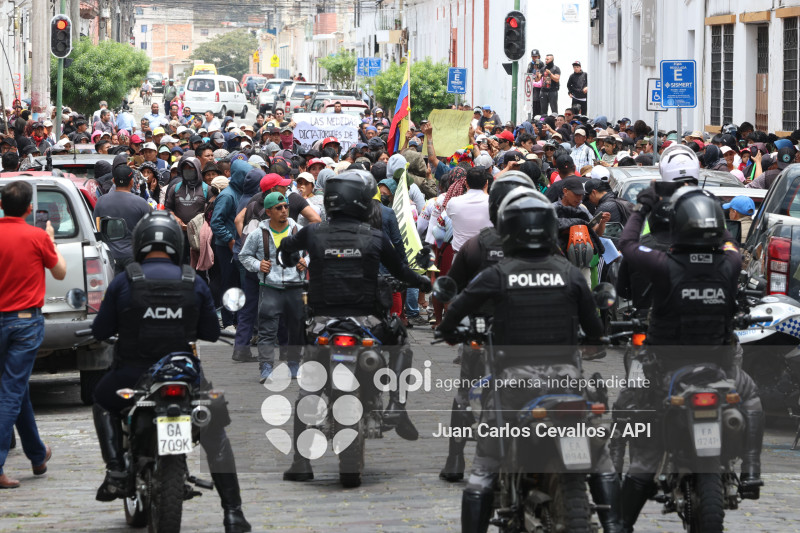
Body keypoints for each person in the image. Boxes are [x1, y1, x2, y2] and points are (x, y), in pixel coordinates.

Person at [437, 190, 621, 533]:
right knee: (601, 459)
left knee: (485, 466)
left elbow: (453, 314)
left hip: (512, 385)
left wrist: (448, 331)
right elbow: (596, 332)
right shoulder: (570, 273)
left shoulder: (497, 274)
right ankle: (616, 526)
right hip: (567, 382)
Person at [89, 211, 250, 532]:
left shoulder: (124, 281)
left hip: (131, 377)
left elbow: (101, 328)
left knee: (102, 400)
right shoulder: (193, 281)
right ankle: (233, 513)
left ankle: (117, 470)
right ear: (177, 244)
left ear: (139, 244)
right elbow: (207, 330)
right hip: (185, 377)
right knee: (214, 431)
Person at [618, 184, 764, 530]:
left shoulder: (662, 264)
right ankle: (752, 470)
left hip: (666, 372)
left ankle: (620, 524)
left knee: (644, 456)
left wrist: (641, 209)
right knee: (752, 398)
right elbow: (732, 243)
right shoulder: (729, 262)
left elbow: (626, 245)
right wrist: (714, 211)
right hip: (719, 369)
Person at [279, 171, 432, 482]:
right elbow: (401, 269)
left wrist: (286, 254)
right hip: (368, 324)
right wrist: (422, 280)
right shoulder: (374, 236)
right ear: (361, 201)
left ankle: (300, 462)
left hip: (322, 326)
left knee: (307, 389)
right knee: (402, 341)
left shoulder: (313, 232)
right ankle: (398, 407)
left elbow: (286, 251)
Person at [439, 173, 536, 483]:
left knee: (465, 394)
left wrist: (453, 323)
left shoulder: (475, 244)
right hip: (529, 337)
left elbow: (452, 287)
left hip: (484, 333)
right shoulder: (544, 246)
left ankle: (455, 457)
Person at [0, 181, 67, 489]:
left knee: (18, 388)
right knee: (11, 392)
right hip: (25, 323)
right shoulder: (37, 235)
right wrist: (50, 241)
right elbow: (60, 272)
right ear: (29, 209)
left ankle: (37, 454)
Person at [239, 192, 307, 383]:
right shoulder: (258, 234)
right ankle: (266, 368)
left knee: (296, 329)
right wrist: (258, 265)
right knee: (267, 330)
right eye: (279, 208)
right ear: (269, 212)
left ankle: (294, 366)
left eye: (286, 207)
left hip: (295, 287)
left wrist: (305, 261)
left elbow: (311, 251)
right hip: (269, 287)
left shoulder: (298, 231)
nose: (284, 211)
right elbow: (244, 256)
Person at [93, 165, 152, 273]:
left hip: (109, 256)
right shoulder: (141, 203)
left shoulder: (101, 201)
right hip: (133, 256)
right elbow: (148, 232)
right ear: (132, 182)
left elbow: (96, 229)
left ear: (114, 180)